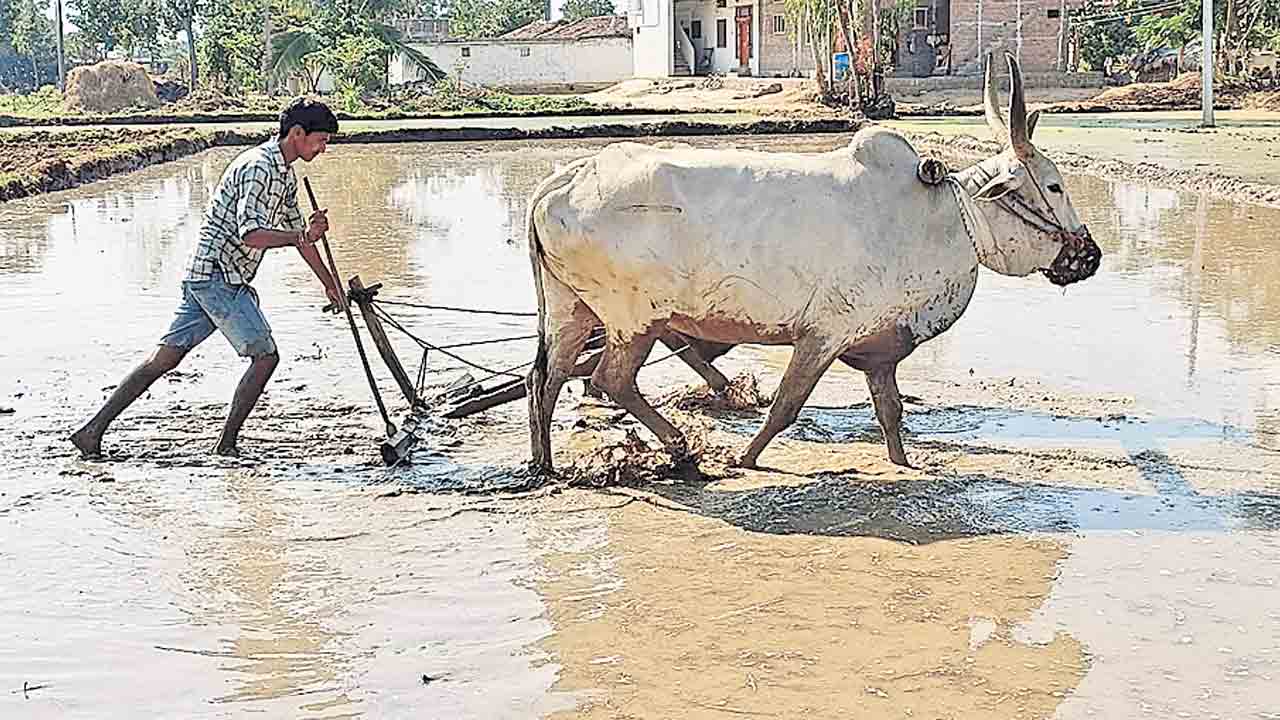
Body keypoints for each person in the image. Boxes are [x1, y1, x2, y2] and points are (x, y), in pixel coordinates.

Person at [70, 97, 344, 459]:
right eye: (321, 140)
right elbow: (253, 234)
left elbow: (300, 238)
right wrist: (300, 236)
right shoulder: (259, 167)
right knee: (265, 358)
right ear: (297, 133)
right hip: (218, 276)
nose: (323, 148)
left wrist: (328, 282)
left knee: (163, 360)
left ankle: (91, 431)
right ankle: (227, 444)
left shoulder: (284, 174)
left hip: (208, 273)